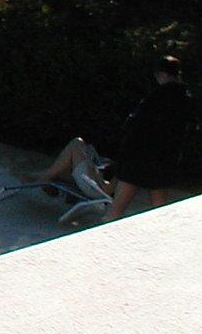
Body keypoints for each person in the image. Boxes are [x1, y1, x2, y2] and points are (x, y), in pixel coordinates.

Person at [29, 56, 192, 221]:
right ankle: (44, 177)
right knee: (159, 212)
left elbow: (136, 129)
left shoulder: (158, 98)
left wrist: (102, 170)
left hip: (136, 163)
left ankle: (43, 177)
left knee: (114, 215)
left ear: (162, 75)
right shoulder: (184, 98)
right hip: (163, 162)